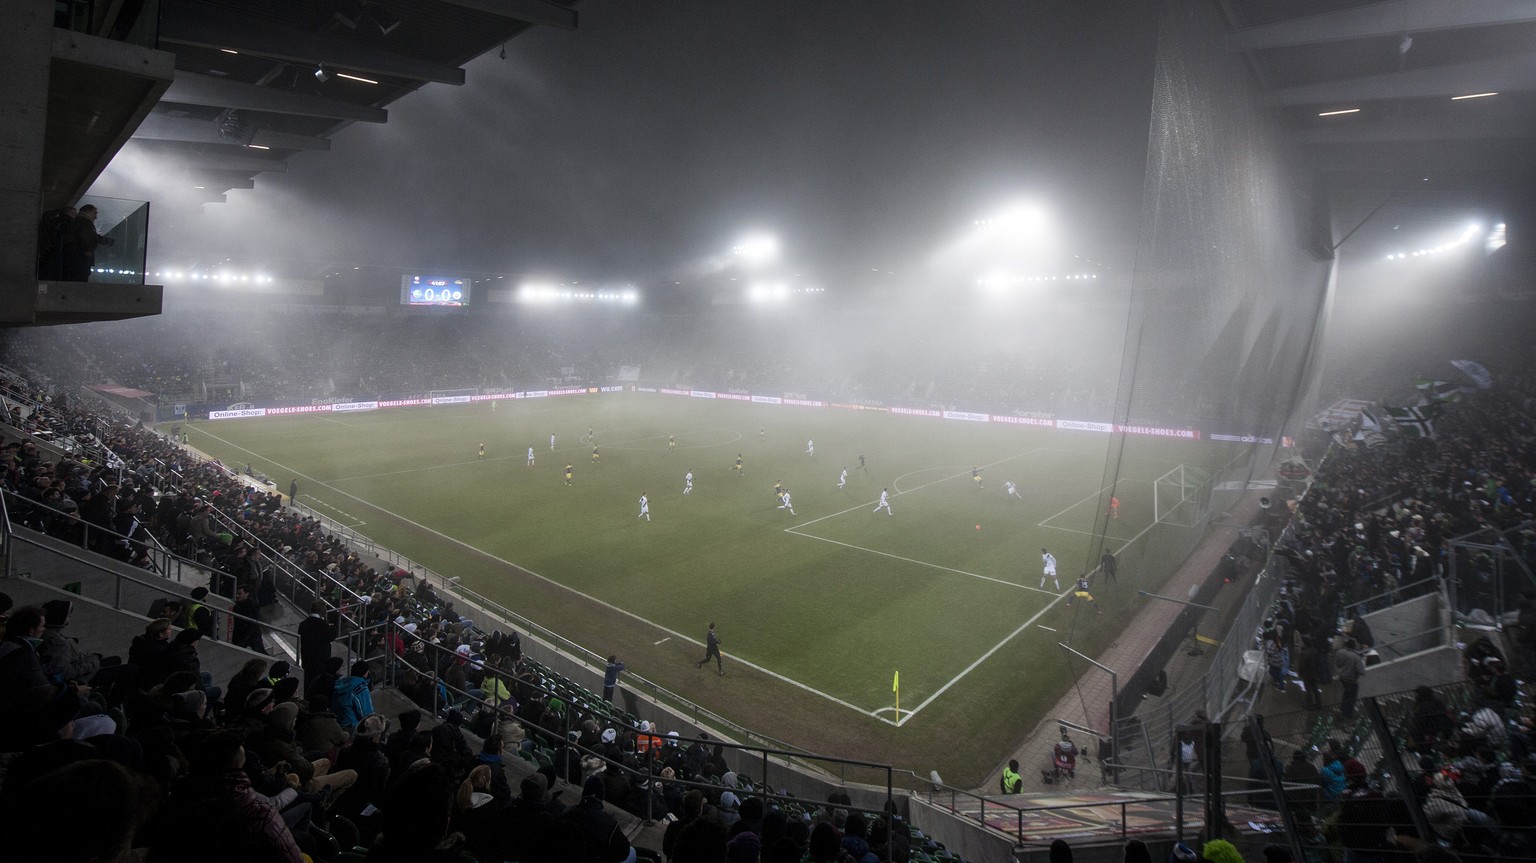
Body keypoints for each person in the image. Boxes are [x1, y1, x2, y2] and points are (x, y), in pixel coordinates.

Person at [61, 204, 114, 281]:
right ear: (88, 212)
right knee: (81, 276)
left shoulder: (77, 222)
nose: (96, 216)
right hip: (80, 256)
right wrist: (87, 249)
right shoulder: (85, 222)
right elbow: (87, 236)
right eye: (94, 213)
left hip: (74, 255)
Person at [297, 600, 333, 695]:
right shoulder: (323, 625)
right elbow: (330, 637)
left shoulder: (303, 624)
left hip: (307, 655)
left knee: (308, 677)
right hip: (321, 657)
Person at [1333, 638, 1366, 719]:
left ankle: (1342, 709)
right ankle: (1347, 714)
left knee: (1345, 694)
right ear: (1354, 647)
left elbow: (1336, 663)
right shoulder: (1356, 657)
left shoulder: (1340, 652)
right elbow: (1362, 672)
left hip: (1342, 677)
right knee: (1351, 698)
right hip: (1351, 680)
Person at [230, 584, 266, 654]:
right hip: (240, 635)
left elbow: (254, 623)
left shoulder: (253, 606)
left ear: (247, 594)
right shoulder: (237, 606)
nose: (237, 596)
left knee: (261, 653)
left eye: (240, 594)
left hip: (252, 635)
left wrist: (245, 637)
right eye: (237, 593)